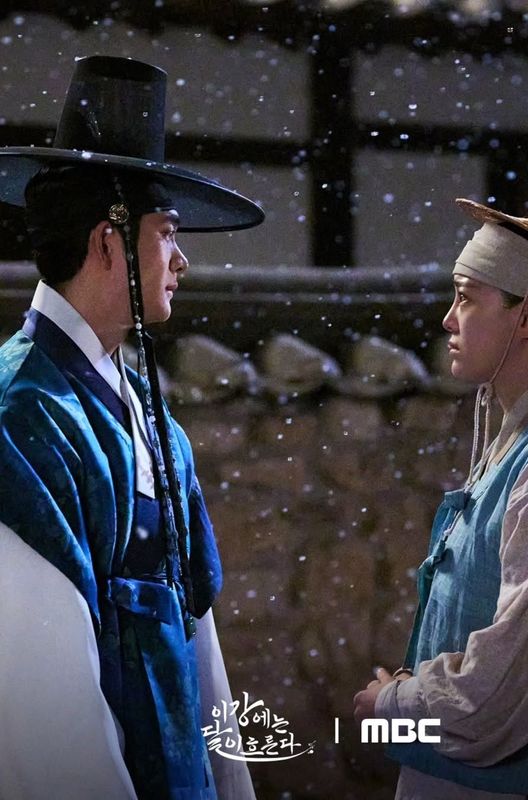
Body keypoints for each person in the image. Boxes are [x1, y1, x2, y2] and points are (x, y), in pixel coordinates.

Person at [0, 56, 264, 799]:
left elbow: (197, 637)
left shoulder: (149, 415)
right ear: (107, 242)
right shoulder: (21, 417)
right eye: (168, 235)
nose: (183, 260)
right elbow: (48, 702)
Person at [354, 179, 528, 799]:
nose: (448, 319)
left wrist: (394, 705)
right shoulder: (523, 442)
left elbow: (512, 684)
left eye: (466, 298)